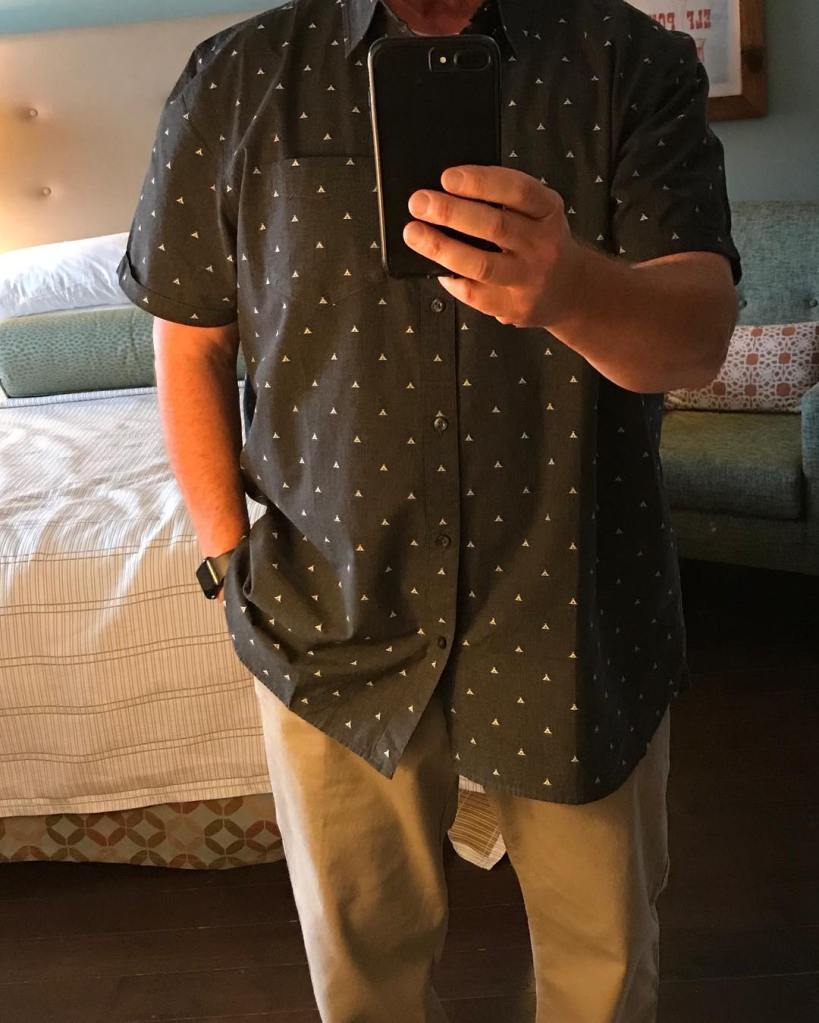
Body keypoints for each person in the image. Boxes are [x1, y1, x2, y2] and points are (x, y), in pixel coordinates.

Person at [118, 1, 742, 1020]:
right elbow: (191, 336)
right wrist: (228, 557)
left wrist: (571, 289)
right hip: (329, 614)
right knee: (363, 979)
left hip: (574, 608)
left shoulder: (630, 61)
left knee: (603, 974)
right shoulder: (238, 77)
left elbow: (697, 342)